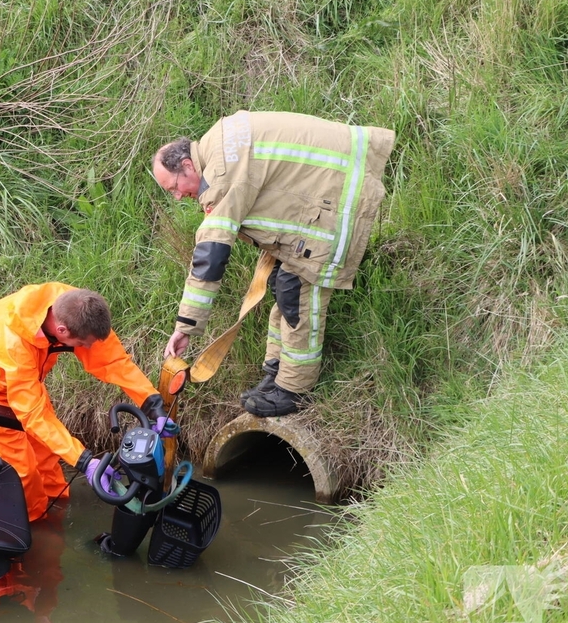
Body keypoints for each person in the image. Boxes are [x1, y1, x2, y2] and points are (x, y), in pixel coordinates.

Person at [153, 110, 395, 417]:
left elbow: (209, 258)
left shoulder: (221, 178)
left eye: (174, 188)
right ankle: (276, 373)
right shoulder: (219, 141)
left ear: (188, 165)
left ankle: (294, 390)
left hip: (342, 196)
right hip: (329, 185)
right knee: (282, 281)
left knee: (297, 291)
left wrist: (186, 327)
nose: (177, 196)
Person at [0, 282, 170, 522]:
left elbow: (114, 361)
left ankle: (57, 515)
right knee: (21, 473)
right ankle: (32, 526)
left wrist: (152, 403)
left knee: (46, 459)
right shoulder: (15, 347)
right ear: (61, 331)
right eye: (83, 344)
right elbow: (33, 415)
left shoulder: (75, 306)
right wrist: (84, 461)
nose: (88, 349)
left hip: (24, 378)